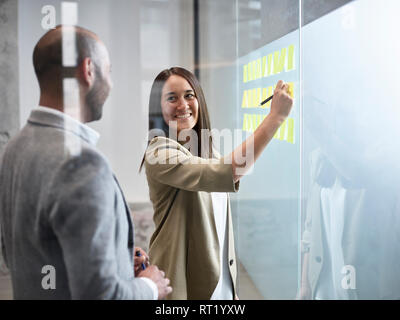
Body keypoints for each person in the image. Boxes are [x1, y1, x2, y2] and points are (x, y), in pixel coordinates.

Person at [0, 25, 172, 300]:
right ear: (88, 70)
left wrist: (115, 262)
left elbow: (26, 256)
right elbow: (100, 295)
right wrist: (150, 287)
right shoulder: (83, 164)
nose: (111, 83)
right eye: (110, 71)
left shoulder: (13, 149)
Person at [141, 67, 293, 299]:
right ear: (158, 108)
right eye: (172, 98)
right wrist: (275, 117)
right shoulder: (159, 153)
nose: (183, 105)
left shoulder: (208, 153)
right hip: (181, 289)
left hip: (220, 290)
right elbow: (231, 170)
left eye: (189, 95)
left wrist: (230, 291)